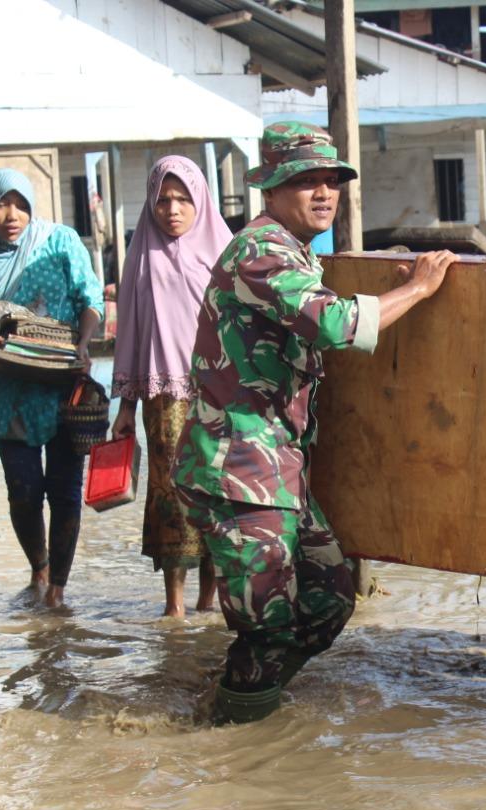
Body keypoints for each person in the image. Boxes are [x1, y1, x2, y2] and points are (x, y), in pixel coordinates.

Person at [172, 122, 457, 724]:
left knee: (329, 597)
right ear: (271, 192)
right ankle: (229, 741)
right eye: (305, 182)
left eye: (331, 181)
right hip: (238, 469)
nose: (323, 193)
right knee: (267, 625)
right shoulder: (261, 249)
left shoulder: (297, 252)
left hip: (278, 469)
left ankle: (243, 707)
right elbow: (334, 326)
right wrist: (421, 289)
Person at [0, 168, 104, 609]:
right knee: (22, 490)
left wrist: (82, 343)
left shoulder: (60, 241)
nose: (11, 214)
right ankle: (37, 567)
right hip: (9, 392)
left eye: (20, 204)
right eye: (1, 204)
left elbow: (89, 298)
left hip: (64, 387)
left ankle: (57, 588)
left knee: (64, 489)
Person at [111, 156, 232, 618]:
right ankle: (175, 606)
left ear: (200, 200)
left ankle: (210, 599)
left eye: (183, 199)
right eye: (163, 199)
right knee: (171, 492)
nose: (173, 209)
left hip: (218, 392)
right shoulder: (143, 255)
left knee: (216, 491)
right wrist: (124, 406)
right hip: (162, 395)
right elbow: (131, 332)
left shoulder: (223, 251)